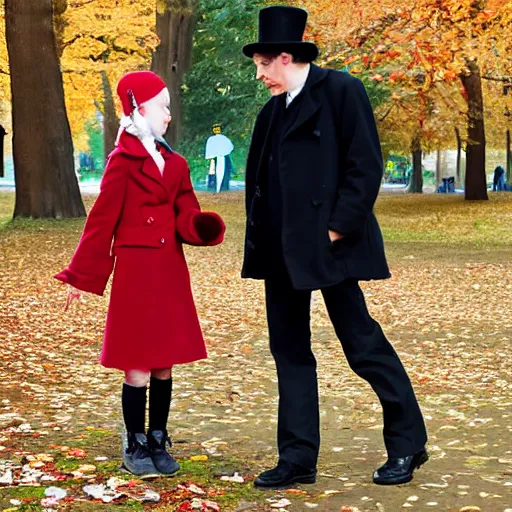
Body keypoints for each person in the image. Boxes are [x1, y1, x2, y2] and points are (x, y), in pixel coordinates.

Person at [241, 6, 428, 488]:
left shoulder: (342, 91)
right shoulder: (272, 111)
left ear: (285, 57)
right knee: (290, 352)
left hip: (331, 248)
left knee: (362, 345)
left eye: (263, 64)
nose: (260, 75)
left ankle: (408, 445)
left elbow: (365, 165)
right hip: (281, 252)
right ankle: (297, 457)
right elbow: (260, 183)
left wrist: (336, 230)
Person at [55, 71, 225, 477]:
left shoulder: (176, 163)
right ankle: (134, 440)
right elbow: (101, 220)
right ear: (139, 109)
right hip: (135, 273)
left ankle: (157, 436)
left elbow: (185, 210)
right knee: (138, 364)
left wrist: (198, 227)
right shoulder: (122, 162)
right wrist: (81, 275)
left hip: (168, 272)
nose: (169, 115)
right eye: (163, 107)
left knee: (165, 361)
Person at [205, 123, 234, 192]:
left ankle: (220, 188)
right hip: (216, 158)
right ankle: (216, 188)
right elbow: (231, 147)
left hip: (220, 158)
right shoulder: (215, 139)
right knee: (214, 172)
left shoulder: (220, 139)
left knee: (222, 173)